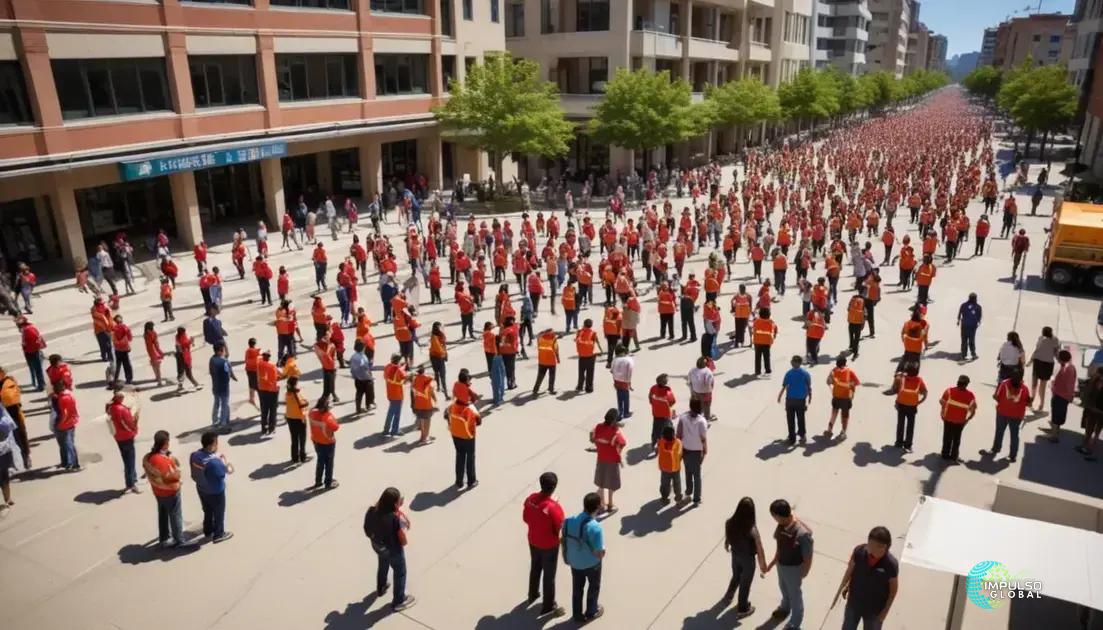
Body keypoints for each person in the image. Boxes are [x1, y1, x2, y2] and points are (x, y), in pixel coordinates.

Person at [832, 526, 899, 630]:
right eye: (871, 545)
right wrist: (844, 585)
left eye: (880, 547)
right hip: (854, 604)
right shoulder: (859, 552)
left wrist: (884, 613)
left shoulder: (891, 565)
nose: (874, 550)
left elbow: (893, 592)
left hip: (874, 611)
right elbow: (850, 570)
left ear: (886, 548)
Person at [363, 487, 416, 611]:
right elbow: (402, 539)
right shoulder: (393, 519)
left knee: (383, 562)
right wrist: (404, 541)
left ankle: (381, 586)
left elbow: (366, 529)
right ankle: (399, 600)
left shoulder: (371, 511)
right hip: (393, 549)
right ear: (394, 504)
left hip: (377, 545)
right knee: (400, 572)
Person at [522, 472, 567, 618]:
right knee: (549, 575)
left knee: (535, 566)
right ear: (554, 488)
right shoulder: (552, 507)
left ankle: (533, 593)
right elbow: (560, 524)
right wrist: (555, 503)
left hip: (533, 540)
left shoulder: (530, 499)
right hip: (549, 544)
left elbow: (525, 518)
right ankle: (548, 605)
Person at [142, 430, 195, 549]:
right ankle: (179, 540)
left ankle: (164, 537)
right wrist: (177, 473)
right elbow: (169, 478)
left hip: (158, 491)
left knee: (163, 514)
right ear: (165, 443)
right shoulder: (161, 460)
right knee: (175, 515)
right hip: (170, 492)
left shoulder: (150, 457)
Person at [765, 499, 813, 630]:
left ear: (780, 516)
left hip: (794, 569)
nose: (774, 519)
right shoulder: (781, 525)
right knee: (783, 587)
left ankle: (795, 622)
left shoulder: (802, 534)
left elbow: (808, 556)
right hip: (782, 565)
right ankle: (785, 607)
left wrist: (805, 571)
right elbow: (779, 545)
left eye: (774, 516)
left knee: (795, 595)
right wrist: (775, 560)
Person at [562, 492, 606, 623]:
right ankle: (591, 611)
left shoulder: (569, 521)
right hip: (592, 564)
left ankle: (577, 614)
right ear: (598, 507)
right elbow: (599, 552)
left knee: (577, 588)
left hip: (574, 562)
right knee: (593, 587)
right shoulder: (595, 527)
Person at [723, 497, 768, 618]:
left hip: (735, 555)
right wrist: (763, 565)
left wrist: (727, 543)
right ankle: (743, 608)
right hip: (748, 560)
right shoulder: (752, 530)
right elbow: (760, 549)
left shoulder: (729, 522)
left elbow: (728, 535)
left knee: (736, 575)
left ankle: (729, 594)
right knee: (745, 583)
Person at [189, 431, 233, 543]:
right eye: (216, 443)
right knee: (219, 513)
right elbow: (222, 474)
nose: (217, 445)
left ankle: (208, 530)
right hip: (215, 491)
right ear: (211, 445)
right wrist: (223, 463)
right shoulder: (214, 462)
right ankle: (219, 534)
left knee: (207, 510)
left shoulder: (195, 456)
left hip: (201, 488)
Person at [983, 369, 1031, 463]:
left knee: (999, 431)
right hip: (1017, 415)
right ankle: (1012, 456)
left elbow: (996, 396)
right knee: (1014, 435)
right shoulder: (1024, 388)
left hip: (1002, 412)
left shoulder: (1004, 383)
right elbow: (1028, 403)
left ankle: (996, 448)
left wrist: (1004, 403)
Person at [590, 408, 626, 512]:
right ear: (614, 420)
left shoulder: (598, 427)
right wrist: (617, 429)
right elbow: (622, 443)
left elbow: (594, 436)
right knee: (611, 483)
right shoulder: (615, 432)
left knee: (601, 482)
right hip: (612, 460)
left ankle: (601, 504)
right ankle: (610, 504)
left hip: (601, 458)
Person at [676, 399, 708, 505]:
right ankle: (696, 499)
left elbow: (678, 435)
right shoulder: (702, 421)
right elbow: (703, 438)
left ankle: (688, 492)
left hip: (685, 450)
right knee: (697, 476)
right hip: (696, 452)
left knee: (688, 472)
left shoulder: (683, 418)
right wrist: (705, 450)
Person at [107, 390, 140, 493]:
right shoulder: (122, 410)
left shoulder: (110, 408)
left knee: (126, 458)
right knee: (129, 461)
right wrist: (135, 430)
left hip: (118, 437)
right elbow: (128, 423)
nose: (123, 398)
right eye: (121, 397)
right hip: (127, 437)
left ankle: (133, 478)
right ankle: (130, 484)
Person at [938, 375, 977, 462]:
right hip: (960, 421)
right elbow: (973, 410)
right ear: (966, 385)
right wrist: (968, 419)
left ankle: (945, 454)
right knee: (956, 439)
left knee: (947, 437)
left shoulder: (949, 391)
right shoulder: (970, 395)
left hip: (948, 418)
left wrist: (943, 413)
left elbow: (942, 401)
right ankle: (954, 456)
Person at [892, 362, 927, 452]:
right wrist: (919, 402)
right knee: (910, 426)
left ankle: (899, 442)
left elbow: (895, 387)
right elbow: (925, 392)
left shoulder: (902, 378)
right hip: (912, 406)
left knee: (900, 424)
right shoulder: (919, 380)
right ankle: (908, 445)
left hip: (901, 404)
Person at [777, 355, 812, 445]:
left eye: (792, 361)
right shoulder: (805, 373)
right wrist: (809, 397)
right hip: (800, 400)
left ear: (795, 363)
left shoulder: (789, 373)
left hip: (790, 400)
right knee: (801, 418)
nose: (791, 362)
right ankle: (802, 435)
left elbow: (784, 386)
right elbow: (808, 386)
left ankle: (792, 438)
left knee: (790, 419)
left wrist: (780, 396)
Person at [448, 396, 481, 489]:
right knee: (470, 457)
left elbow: (447, 416)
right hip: (468, 436)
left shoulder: (452, 406)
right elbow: (479, 421)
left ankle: (459, 481)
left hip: (455, 435)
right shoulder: (469, 409)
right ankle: (471, 480)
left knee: (460, 456)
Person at [1045, 350, 1077, 443]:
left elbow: (1066, 384)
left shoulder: (1065, 369)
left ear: (1061, 359)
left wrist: (1053, 388)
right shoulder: (1071, 367)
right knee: (1059, 415)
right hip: (1064, 396)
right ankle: (1056, 431)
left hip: (1060, 395)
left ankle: (1054, 436)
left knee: (1056, 415)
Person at [309, 395, 340, 490]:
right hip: (328, 442)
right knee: (329, 463)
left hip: (316, 441)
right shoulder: (328, 417)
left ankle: (318, 481)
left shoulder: (312, 413)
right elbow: (336, 427)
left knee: (320, 462)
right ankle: (328, 482)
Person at [827, 356, 859, 438]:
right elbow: (856, 382)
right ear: (845, 363)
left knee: (834, 413)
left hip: (836, 396)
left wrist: (833, 387)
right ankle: (843, 432)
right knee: (845, 416)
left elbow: (828, 381)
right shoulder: (850, 371)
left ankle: (829, 430)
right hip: (846, 398)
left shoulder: (833, 371)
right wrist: (850, 386)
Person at [52, 380, 81, 471]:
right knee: (68, 444)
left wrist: (60, 424)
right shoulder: (69, 395)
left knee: (67, 445)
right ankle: (67, 463)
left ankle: (74, 464)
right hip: (71, 422)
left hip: (65, 425)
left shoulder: (62, 398)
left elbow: (64, 413)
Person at [1029, 326, 1060, 409]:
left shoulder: (1041, 339)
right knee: (1043, 385)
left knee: (1034, 383)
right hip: (1048, 364)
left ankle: (1032, 399)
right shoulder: (1055, 340)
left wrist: (1030, 361)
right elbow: (1056, 352)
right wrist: (1060, 361)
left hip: (1038, 362)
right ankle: (1041, 403)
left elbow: (1036, 351)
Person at [209, 343, 236, 431]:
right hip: (224, 387)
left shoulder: (212, 359)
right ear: (221, 351)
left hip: (215, 386)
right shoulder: (225, 362)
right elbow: (228, 374)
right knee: (224, 404)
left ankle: (214, 421)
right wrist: (232, 376)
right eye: (224, 350)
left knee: (216, 403)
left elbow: (211, 372)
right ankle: (223, 422)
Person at [0, 407, 23, 509]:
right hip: (4, 448)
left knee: (4, 475)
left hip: (3, 448)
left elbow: (9, 425)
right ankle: (8, 499)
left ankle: (8, 499)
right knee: (4, 475)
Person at [284, 376, 310, 465]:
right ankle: (302, 456)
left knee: (294, 438)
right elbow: (302, 404)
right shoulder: (296, 394)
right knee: (302, 438)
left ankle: (294, 457)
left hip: (290, 417)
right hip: (299, 418)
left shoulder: (287, 393)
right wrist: (306, 402)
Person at [648, 373, 676, 450]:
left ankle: (653, 442)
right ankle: (665, 443)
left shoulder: (653, 388)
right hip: (665, 415)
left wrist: (654, 404)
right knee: (667, 428)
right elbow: (673, 401)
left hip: (656, 413)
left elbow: (650, 398)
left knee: (655, 428)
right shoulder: (668, 392)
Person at [656, 424, 683, 504]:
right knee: (677, 483)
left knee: (664, 484)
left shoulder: (661, 443)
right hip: (675, 468)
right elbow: (680, 454)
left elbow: (657, 450)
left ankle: (664, 498)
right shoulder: (678, 443)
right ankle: (678, 497)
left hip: (664, 469)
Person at [382, 354, 407, 436]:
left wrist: (401, 367)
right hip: (397, 394)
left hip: (390, 393)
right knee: (396, 413)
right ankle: (394, 430)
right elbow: (404, 377)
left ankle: (386, 429)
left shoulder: (387, 367)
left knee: (391, 412)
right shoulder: (398, 370)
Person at [411, 365, 437, 444]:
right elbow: (431, 391)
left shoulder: (415, 381)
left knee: (422, 421)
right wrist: (435, 400)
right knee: (427, 421)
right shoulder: (426, 382)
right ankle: (425, 438)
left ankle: (423, 436)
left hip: (418, 405)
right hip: (426, 405)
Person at [574, 319, 601, 394]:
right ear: (591, 325)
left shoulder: (579, 332)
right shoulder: (593, 333)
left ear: (584, 324)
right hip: (591, 355)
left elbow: (576, 340)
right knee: (590, 372)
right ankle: (589, 388)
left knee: (581, 371)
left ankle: (580, 386)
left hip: (582, 355)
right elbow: (596, 342)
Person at [256, 350, 279, 436]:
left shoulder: (259, 365)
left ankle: (263, 428)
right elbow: (277, 376)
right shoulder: (272, 366)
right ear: (269, 357)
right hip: (272, 390)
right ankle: (271, 428)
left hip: (262, 390)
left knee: (264, 410)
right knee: (273, 410)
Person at [350, 340, 375, 415]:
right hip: (366, 379)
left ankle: (358, 408)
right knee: (369, 393)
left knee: (359, 393)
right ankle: (368, 405)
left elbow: (352, 368)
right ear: (363, 348)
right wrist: (370, 377)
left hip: (357, 378)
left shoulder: (353, 356)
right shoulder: (363, 358)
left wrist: (354, 375)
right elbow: (365, 368)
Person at [688, 356, 716, 421]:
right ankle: (706, 419)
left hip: (695, 392)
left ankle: (697, 417)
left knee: (698, 406)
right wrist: (710, 390)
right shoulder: (707, 371)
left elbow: (690, 381)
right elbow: (710, 383)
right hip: (706, 393)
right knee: (707, 406)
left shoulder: (692, 370)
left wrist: (692, 391)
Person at [533, 327, 559, 396]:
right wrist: (558, 358)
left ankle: (535, 389)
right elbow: (556, 349)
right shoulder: (553, 339)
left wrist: (543, 332)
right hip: (551, 361)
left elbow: (538, 335)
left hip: (542, 360)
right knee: (552, 376)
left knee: (540, 376)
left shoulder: (540, 338)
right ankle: (551, 389)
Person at [610, 345, 634, 419]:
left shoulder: (614, 359)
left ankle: (620, 412)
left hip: (616, 380)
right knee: (626, 397)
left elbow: (611, 370)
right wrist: (629, 383)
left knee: (619, 397)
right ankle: (626, 412)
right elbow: (629, 372)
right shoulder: (629, 360)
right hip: (624, 381)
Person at [956, 293, 982, 361]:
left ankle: (963, 354)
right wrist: (978, 323)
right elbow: (979, 317)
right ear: (975, 299)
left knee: (964, 340)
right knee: (971, 340)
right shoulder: (978, 307)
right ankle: (973, 354)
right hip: (972, 326)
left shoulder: (964, 305)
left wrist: (958, 321)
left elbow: (960, 313)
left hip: (964, 325)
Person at [752, 308, 778, 376]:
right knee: (767, 356)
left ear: (760, 314)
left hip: (757, 342)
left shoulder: (757, 321)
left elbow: (753, 328)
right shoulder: (771, 322)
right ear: (769, 315)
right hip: (767, 342)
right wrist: (774, 336)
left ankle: (758, 371)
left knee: (758, 357)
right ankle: (768, 370)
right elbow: (775, 329)